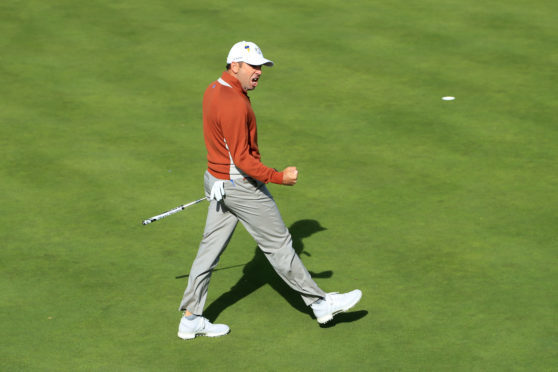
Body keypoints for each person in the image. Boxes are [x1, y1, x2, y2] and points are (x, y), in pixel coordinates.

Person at [177, 41, 362, 340]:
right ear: (234, 65)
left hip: (217, 181)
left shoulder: (214, 89)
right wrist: (279, 177)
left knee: (208, 251)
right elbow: (244, 160)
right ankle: (320, 303)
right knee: (279, 245)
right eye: (253, 66)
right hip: (240, 186)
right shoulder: (235, 103)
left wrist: (220, 180)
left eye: (261, 67)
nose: (259, 72)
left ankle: (190, 318)